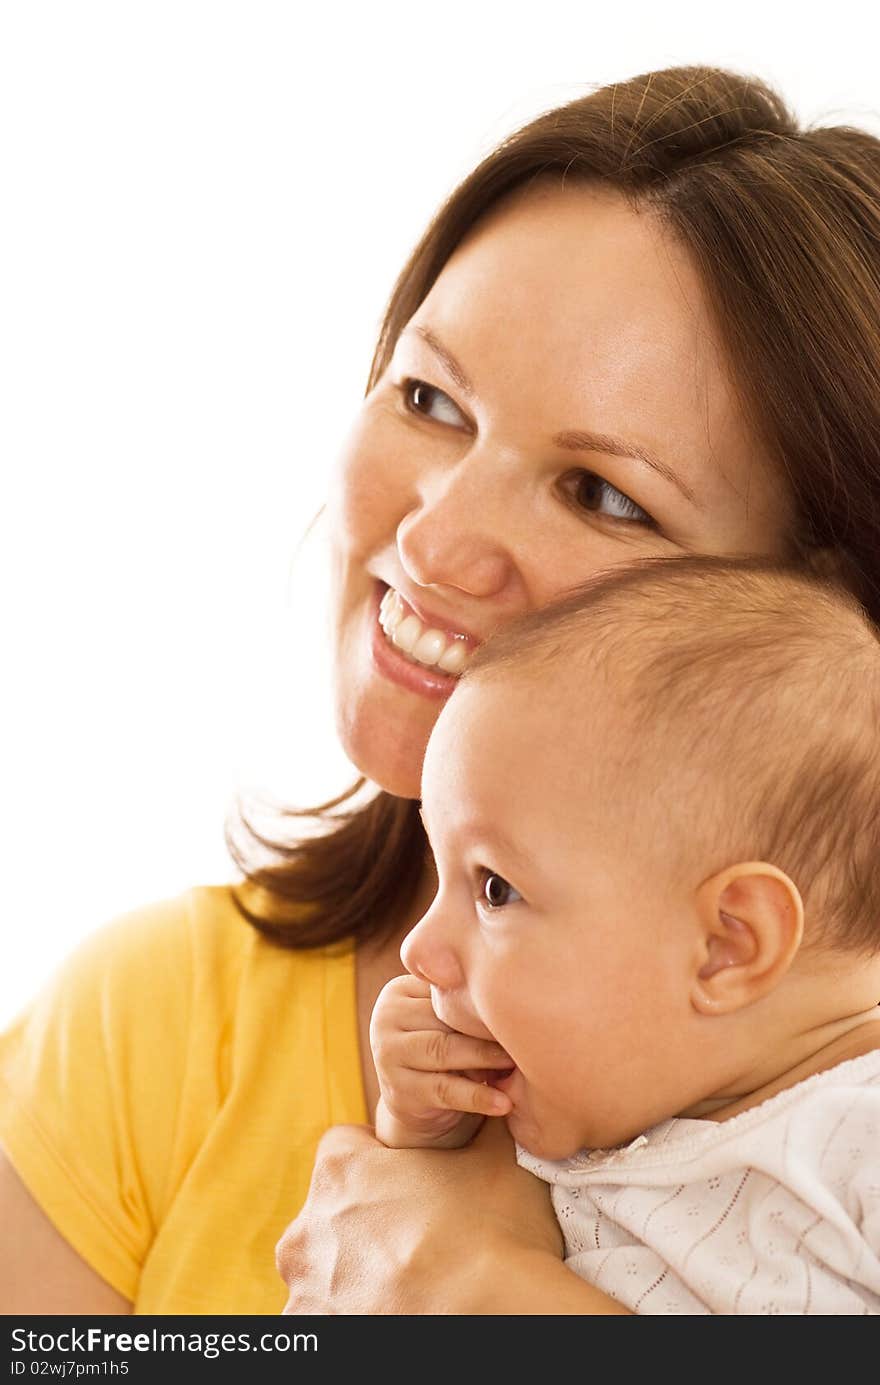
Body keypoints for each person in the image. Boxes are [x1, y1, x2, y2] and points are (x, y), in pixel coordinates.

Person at [2, 64, 880, 1316]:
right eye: (429, 399)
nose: (431, 542)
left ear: (818, 619)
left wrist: (477, 1302)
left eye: (603, 494)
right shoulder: (155, 1022)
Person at [370, 555, 880, 1315]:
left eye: (495, 888)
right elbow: (399, 1258)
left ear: (727, 945)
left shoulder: (854, 1140)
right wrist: (424, 1126)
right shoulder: (631, 1087)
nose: (420, 949)